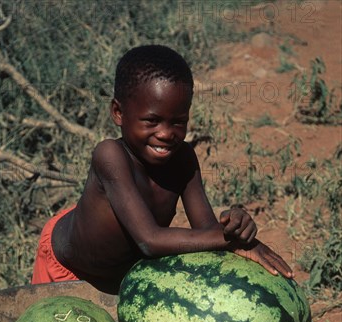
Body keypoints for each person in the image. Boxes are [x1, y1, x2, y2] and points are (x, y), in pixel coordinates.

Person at [32, 44, 293, 295]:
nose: (167, 134)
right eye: (152, 121)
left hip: (121, 279)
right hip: (67, 269)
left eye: (179, 122)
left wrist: (233, 227)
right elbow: (150, 241)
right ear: (118, 112)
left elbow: (206, 230)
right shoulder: (109, 155)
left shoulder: (184, 160)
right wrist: (229, 241)